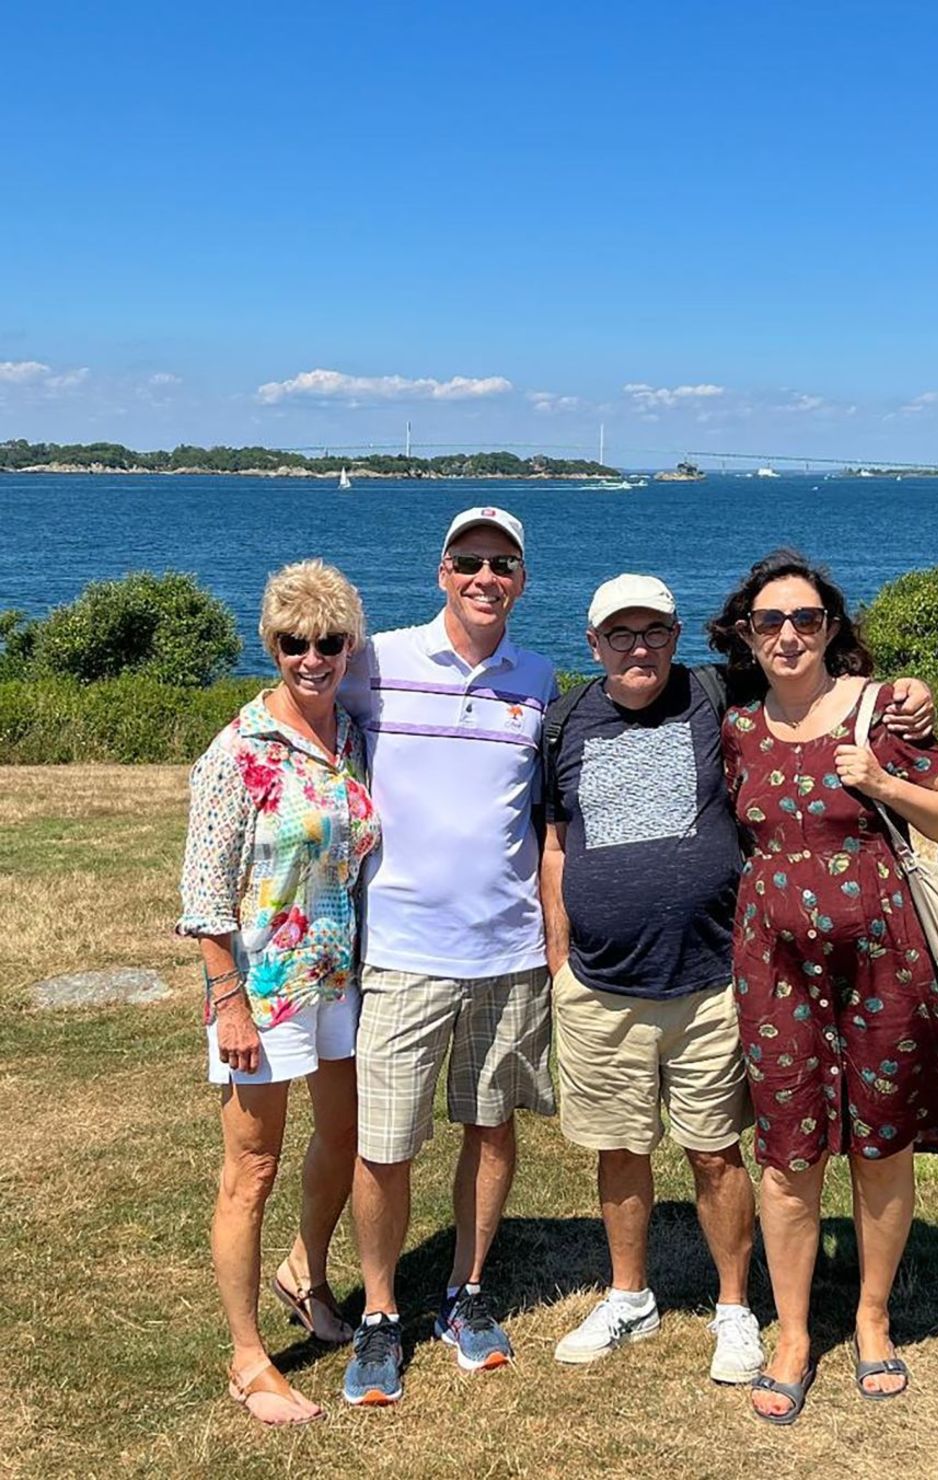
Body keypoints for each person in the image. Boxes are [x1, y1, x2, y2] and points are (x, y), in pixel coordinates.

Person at [541, 574, 935, 1385]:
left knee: (717, 1151)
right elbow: (553, 843)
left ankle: (733, 1308)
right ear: (593, 644)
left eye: (654, 631)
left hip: (713, 974)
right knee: (619, 1147)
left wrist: (908, 689)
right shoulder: (562, 722)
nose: (638, 647)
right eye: (621, 634)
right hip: (600, 982)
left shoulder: (718, 693)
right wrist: (558, 956)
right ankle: (628, 1294)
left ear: (680, 635)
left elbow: (819, 676)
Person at [708, 549, 938, 1426]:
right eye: (770, 621)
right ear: (746, 635)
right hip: (774, 969)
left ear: (832, 628)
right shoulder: (735, 727)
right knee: (788, 1152)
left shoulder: (877, 712)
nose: (788, 635)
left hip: (884, 962)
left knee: (880, 1145)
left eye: (807, 619)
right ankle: (792, 1333)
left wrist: (885, 780)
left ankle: (869, 1318)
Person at [337, 507, 557, 1407]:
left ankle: (464, 1295)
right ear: (440, 571)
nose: (484, 576)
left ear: (521, 580)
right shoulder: (376, 664)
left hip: (509, 952)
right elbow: (293, 695)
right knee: (385, 1146)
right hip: (400, 951)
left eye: (501, 563)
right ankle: (381, 1313)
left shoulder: (539, 680)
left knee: (490, 1127)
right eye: (468, 560)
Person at [177, 560, 380, 1427]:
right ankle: (248, 1359)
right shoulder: (239, 752)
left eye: (330, 641)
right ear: (271, 644)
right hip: (261, 993)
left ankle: (307, 1270)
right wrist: (226, 1004)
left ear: (349, 647)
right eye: (294, 642)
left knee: (344, 1136)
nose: (312, 657)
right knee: (250, 1169)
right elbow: (202, 894)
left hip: (339, 982)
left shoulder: (353, 738)